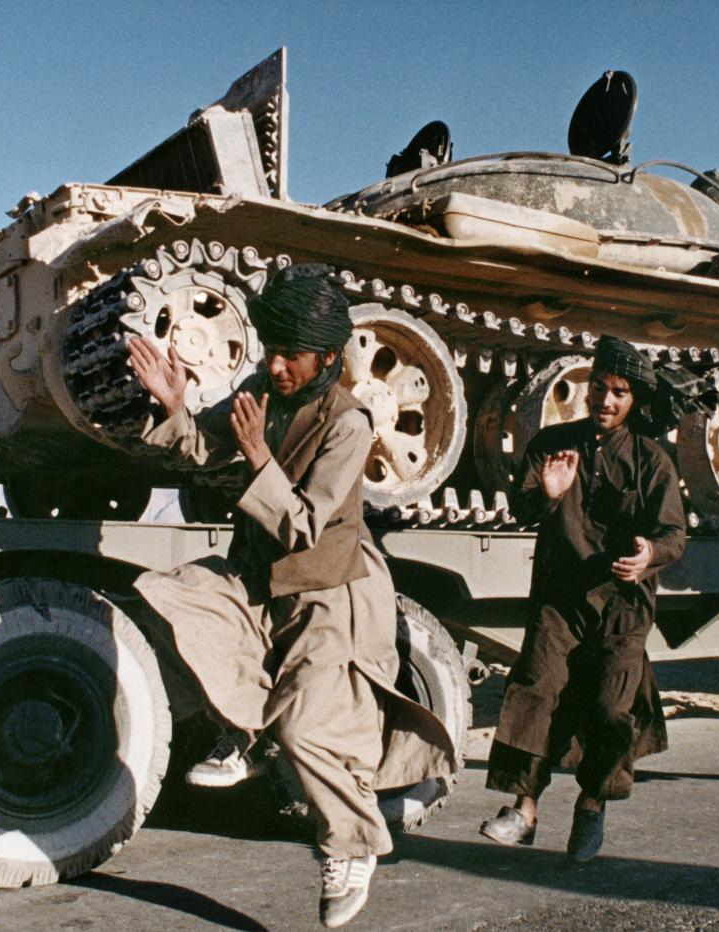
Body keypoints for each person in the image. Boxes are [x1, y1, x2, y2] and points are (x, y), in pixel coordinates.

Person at [127, 264, 454, 928]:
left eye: (291, 356)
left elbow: (305, 523)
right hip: (260, 578)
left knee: (309, 727)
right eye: (270, 350)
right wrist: (174, 406)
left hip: (331, 592)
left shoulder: (349, 423)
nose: (275, 366)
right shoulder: (261, 390)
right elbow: (205, 447)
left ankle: (354, 847)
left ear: (328, 358)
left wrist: (257, 458)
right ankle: (243, 730)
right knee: (170, 598)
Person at [478, 335, 686, 861]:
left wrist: (648, 556)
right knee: (537, 688)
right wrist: (545, 496)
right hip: (561, 596)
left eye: (619, 391)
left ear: (633, 399)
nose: (606, 400)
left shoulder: (651, 458)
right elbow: (522, 507)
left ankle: (592, 805)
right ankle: (524, 809)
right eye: (599, 387)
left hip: (623, 605)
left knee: (612, 709)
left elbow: (674, 533)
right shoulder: (553, 443)